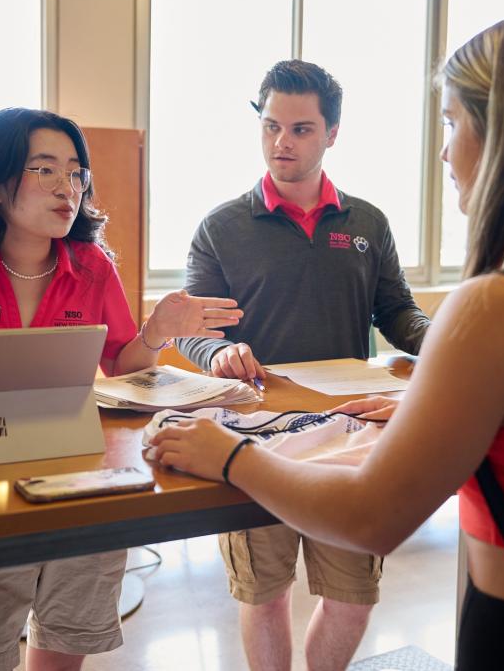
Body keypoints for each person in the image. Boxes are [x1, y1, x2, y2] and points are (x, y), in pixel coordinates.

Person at [152, 12, 504, 670]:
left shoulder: (499, 306)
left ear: (503, 134)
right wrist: (433, 401)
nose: (443, 152)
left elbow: (371, 516)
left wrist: (229, 454)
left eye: (450, 123)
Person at [0, 107, 242, 671]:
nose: (67, 188)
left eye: (76, 173)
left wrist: (156, 334)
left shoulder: (92, 264)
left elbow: (123, 368)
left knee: (65, 647)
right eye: (44, 170)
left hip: (81, 479)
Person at [175, 60, 431, 671]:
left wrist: (446, 340)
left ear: (332, 133)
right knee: (264, 595)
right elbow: (193, 334)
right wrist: (219, 351)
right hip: (253, 436)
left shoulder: (367, 223)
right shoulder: (220, 228)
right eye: (270, 127)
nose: (281, 143)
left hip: (347, 435)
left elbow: (398, 312)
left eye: (300, 130)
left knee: (352, 599)